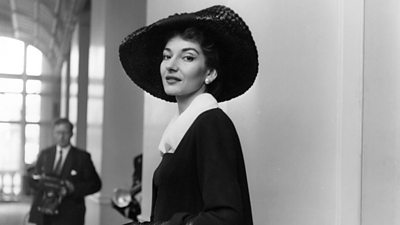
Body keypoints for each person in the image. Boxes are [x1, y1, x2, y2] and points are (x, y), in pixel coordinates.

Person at [119, 5, 258, 225]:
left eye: (188, 58)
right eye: (167, 56)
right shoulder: (185, 128)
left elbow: (226, 217)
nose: (171, 66)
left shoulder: (211, 123)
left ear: (210, 73)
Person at [28, 118, 102, 225]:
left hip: (69, 214)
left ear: (71, 134)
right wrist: (38, 182)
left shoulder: (82, 157)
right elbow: (35, 179)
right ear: (53, 133)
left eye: (65, 133)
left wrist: (73, 188)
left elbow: (96, 184)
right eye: (58, 132)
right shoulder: (45, 154)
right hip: (44, 213)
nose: (61, 136)